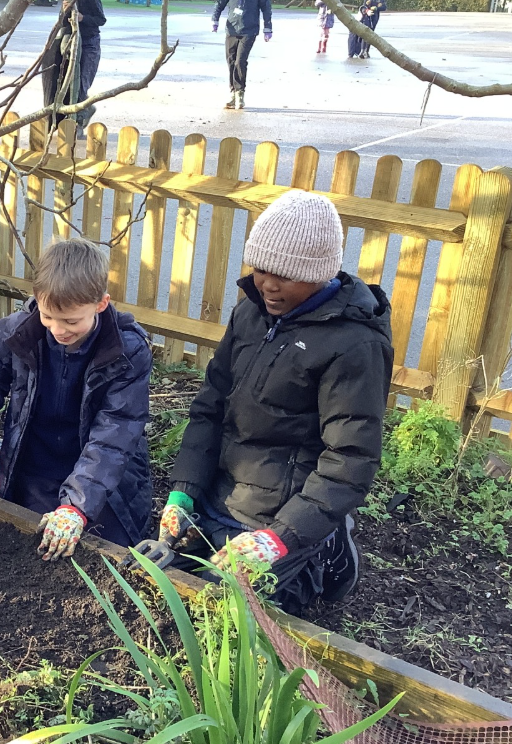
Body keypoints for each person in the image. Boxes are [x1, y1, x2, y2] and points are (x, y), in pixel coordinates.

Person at [159, 190, 394, 614]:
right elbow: (210, 407)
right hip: (225, 490)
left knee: (230, 608)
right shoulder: (250, 314)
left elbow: (350, 458)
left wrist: (280, 537)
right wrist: (184, 491)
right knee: (164, 583)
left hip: (285, 508)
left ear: (320, 273)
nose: (267, 284)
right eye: (261, 268)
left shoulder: (354, 345)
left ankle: (325, 545)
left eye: (284, 275)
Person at [0, 239, 153, 560]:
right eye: (48, 316)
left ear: (101, 304)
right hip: (36, 465)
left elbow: (115, 433)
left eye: (71, 321)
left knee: (104, 554)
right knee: (30, 548)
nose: (58, 329)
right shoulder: (14, 332)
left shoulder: (127, 351)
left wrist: (76, 506)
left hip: (104, 475)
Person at [42, 0, 107, 128]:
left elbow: (101, 20)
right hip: (71, 41)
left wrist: (83, 18)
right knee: (67, 83)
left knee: (81, 84)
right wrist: (65, 10)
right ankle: (76, 113)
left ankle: (79, 121)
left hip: (89, 43)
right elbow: (62, 22)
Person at [212, 0, 273, 110]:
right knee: (231, 61)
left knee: (240, 61)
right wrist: (215, 20)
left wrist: (267, 28)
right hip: (231, 30)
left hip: (249, 31)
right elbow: (219, 4)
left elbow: (266, 8)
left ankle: (240, 94)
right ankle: (233, 93)